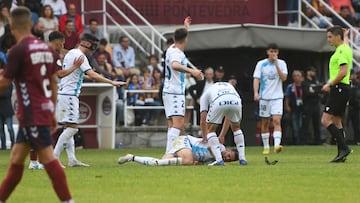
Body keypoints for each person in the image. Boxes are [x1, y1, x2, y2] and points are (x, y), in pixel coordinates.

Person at [0, 6, 74, 202]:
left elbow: (4, 83)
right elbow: (53, 82)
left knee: (48, 159)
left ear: (12, 26)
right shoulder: (46, 49)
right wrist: (52, 112)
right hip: (38, 112)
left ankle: (68, 200)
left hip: (31, 113)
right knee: (16, 159)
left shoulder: (17, 51)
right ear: (31, 24)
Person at [53, 33, 126, 167]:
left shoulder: (71, 53)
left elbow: (78, 74)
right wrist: (111, 82)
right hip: (69, 95)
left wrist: (87, 76)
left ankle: (71, 159)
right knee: (73, 128)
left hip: (64, 93)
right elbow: (91, 73)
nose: (95, 47)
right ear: (87, 43)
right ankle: (54, 157)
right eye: (93, 43)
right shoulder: (81, 56)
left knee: (68, 126)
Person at [162, 16, 203, 154]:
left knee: (172, 124)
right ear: (185, 40)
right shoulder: (177, 53)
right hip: (175, 92)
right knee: (179, 124)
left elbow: (180, 38)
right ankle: (169, 153)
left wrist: (186, 27)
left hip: (168, 90)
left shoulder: (171, 48)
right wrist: (193, 71)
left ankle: (170, 152)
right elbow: (175, 65)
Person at [321, 26, 352, 162]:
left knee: (325, 120)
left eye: (330, 37)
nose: (328, 40)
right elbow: (346, 44)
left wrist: (330, 84)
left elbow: (343, 71)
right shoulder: (345, 48)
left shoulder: (341, 52)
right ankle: (341, 153)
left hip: (339, 88)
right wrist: (346, 35)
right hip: (342, 88)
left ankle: (344, 147)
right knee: (337, 121)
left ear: (337, 37)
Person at [200, 82, 247, 166]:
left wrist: (205, 137)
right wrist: (222, 135)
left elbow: (203, 120)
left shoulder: (205, 95)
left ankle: (219, 160)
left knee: (211, 130)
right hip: (236, 100)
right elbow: (228, 117)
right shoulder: (228, 85)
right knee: (236, 128)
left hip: (219, 101)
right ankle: (242, 158)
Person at [253, 43, 288, 154]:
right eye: (271, 51)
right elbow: (256, 79)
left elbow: (284, 78)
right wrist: (256, 93)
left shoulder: (282, 63)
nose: (273, 54)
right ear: (268, 52)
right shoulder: (261, 64)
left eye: (275, 52)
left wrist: (276, 64)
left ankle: (277, 145)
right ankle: (266, 146)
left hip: (277, 97)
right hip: (264, 97)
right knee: (265, 122)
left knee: (277, 120)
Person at [117, 135, 238, 166]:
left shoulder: (214, 162)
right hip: (185, 142)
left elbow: (200, 163)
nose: (226, 157)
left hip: (184, 150)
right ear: (227, 150)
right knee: (188, 160)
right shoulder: (220, 147)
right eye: (228, 155)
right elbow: (211, 147)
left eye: (228, 159)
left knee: (157, 164)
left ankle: (131, 157)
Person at [302, 66, 323, 145]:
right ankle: (303, 141)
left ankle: (317, 141)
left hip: (316, 105)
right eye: (311, 71)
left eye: (314, 71)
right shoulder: (305, 82)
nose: (313, 73)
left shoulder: (316, 81)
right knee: (306, 123)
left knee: (316, 123)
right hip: (307, 105)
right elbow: (307, 93)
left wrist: (314, 91)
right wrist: (315, 92)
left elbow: (320, 90)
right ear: (308, 72)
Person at [285, 70, 305, 145]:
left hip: (303, 109)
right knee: (295, 125)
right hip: (294, 109)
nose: (296, 77)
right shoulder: (290, 87)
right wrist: (287, 106)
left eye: (298, 75)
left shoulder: (304, 86)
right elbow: (287, 97)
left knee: (301, 125)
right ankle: (296, 141)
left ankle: (302, 140)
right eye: (294, 76)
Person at [0, 50, 14, 150]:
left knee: (9, 127)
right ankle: (3, 145)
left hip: (7, 106)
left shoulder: (7, 80)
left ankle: (14, 144)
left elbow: (7, 93)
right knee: (0, 128)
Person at [347, 69, 360, 145]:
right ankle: (342, 140)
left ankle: (357, 140)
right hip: (346, 107)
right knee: (344, 125)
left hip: (355, 107)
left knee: (356, 125)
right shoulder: (345, 83)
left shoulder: (357, 84)